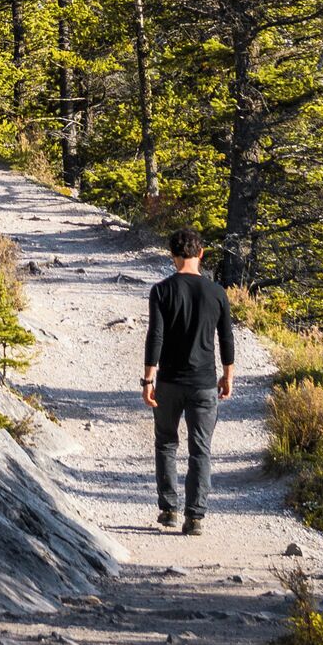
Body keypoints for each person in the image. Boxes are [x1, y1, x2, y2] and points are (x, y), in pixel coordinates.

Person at [140, 228, 233, 534]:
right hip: (204, 382)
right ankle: (195, 517)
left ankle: (168, 510)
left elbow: (156, 336)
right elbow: (226, 339)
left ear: (173, 256)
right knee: (200, 449)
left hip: (168, 382)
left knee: (166, 442)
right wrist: (227, 375)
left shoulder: (162, 290)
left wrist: (148, 379)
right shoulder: (217, 292)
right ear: (201, 254)